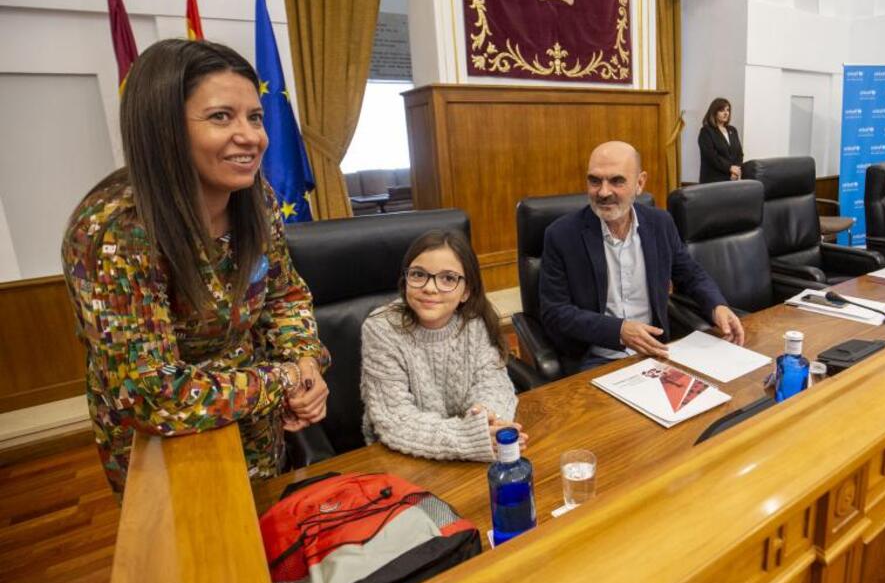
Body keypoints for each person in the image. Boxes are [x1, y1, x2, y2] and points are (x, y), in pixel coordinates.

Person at [61, 39, 329, 497]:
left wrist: (305, 361)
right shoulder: (115, 231)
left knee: (268, 550)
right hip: (169, 453)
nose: (251, 136)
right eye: (221, 116)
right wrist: (280, 380)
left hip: (259, 432)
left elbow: (284, 296)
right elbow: (153, 395)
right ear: (163, 128)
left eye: (255, 116)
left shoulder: (258, 198)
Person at [540, 141, 745, 372]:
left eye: (617, 180)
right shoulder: (561, 235)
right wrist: (618, 330)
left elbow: (690, 273)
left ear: (640, 183)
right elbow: (555, 312)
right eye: (595, 181)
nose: (604, 192)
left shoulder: (660, 224)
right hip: (597, 359)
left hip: (657, 352)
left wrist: (717, 306)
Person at [359, 230, 523, 461]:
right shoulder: (381, 328)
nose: (430, 287)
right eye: (418, 275)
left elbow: (494, 384)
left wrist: (486, 418)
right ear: (405, 279)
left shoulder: (474, 321)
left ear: (466, 291)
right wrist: (469, 437)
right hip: (400, 455)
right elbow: (395, 419)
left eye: (448, 278)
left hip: (470, 448)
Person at [697, 97, 744, 183]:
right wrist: (730, 168)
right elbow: (711, 157)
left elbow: (739, 154)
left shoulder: (732, 130)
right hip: (713, 180)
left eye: (728, 110)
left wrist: (735, 171)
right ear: (714, 112)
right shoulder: (706, 131)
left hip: (732, 178)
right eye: (722, 110)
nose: (726, 113)